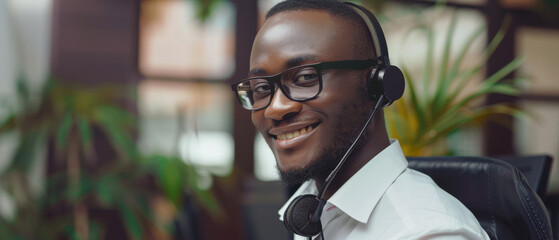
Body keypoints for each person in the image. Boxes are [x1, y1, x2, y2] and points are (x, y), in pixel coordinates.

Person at [230, 0, 490, 239]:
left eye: (306, 77)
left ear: (377, 84)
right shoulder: (312, 212)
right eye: (262, 88)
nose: (275, 108)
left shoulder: (427, 232)